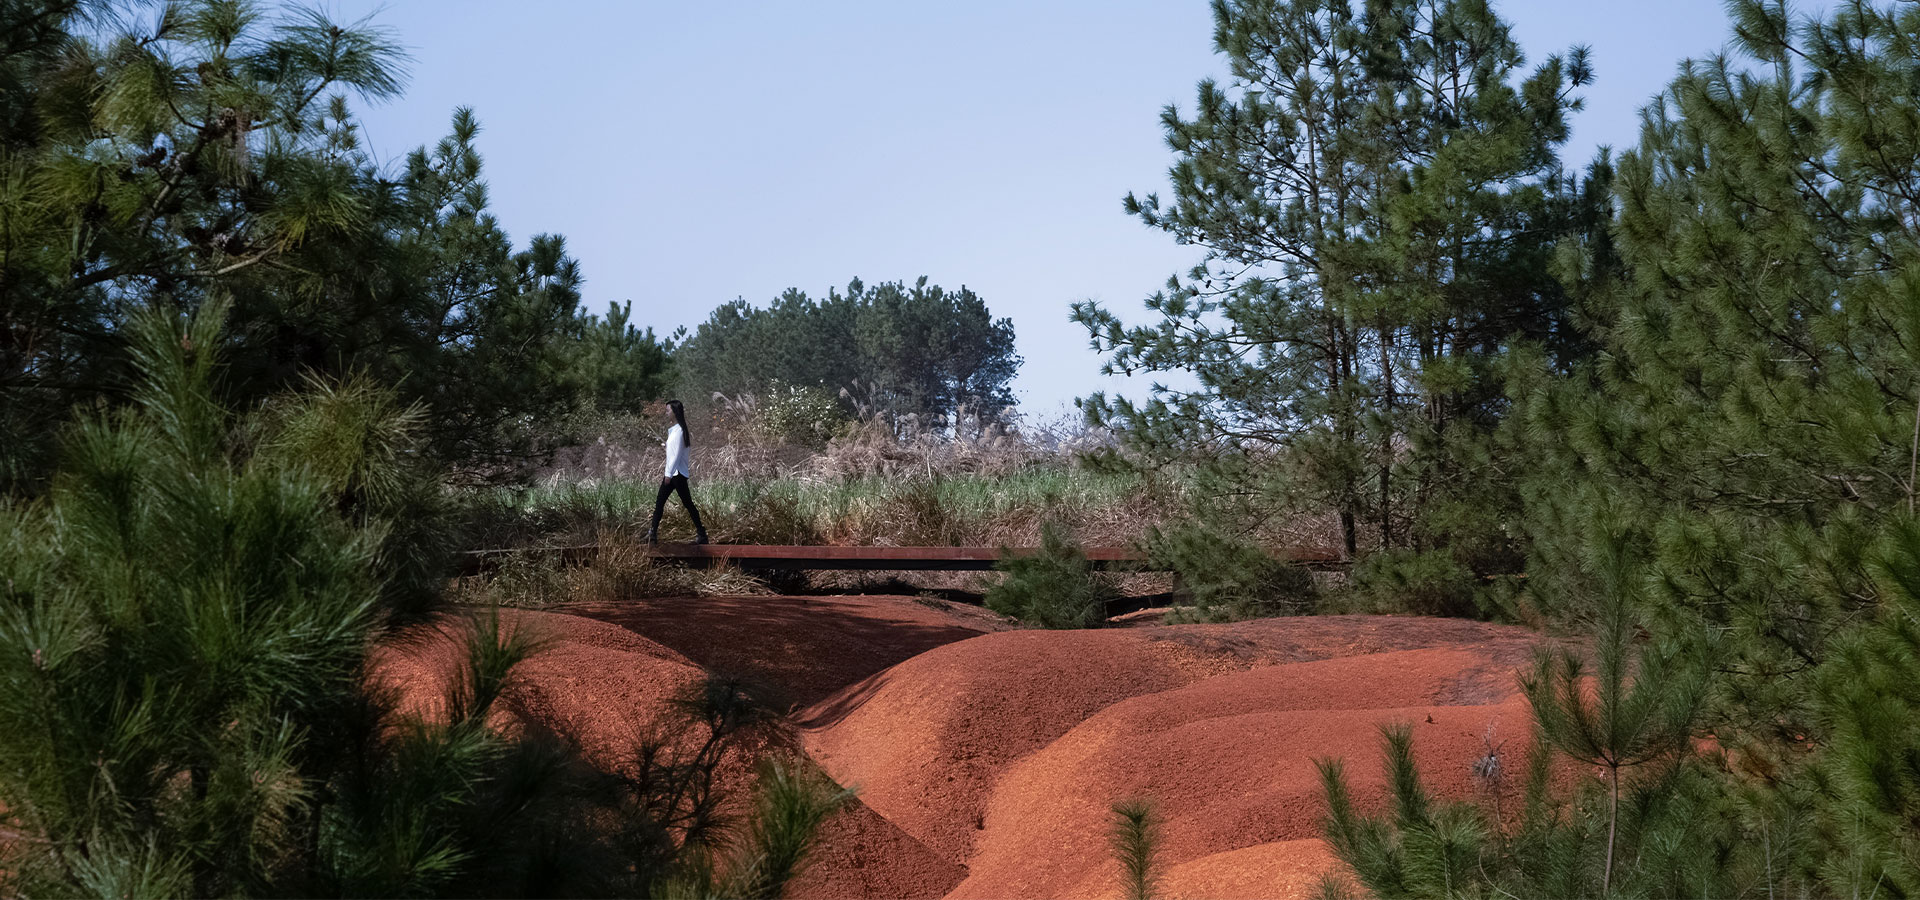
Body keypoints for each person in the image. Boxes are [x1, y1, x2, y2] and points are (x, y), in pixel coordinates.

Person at [647, 399, 708, 545]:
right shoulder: (678, 430)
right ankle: (653, 533)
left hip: (675, 474)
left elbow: (675, 456)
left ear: (675, 412)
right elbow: (675, 452)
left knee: (664, 502)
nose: (666, 413)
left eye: (668, 410)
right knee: (682, 503)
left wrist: (668, 474)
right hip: (678, 473)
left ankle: (653, 534)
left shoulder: (679, 431)